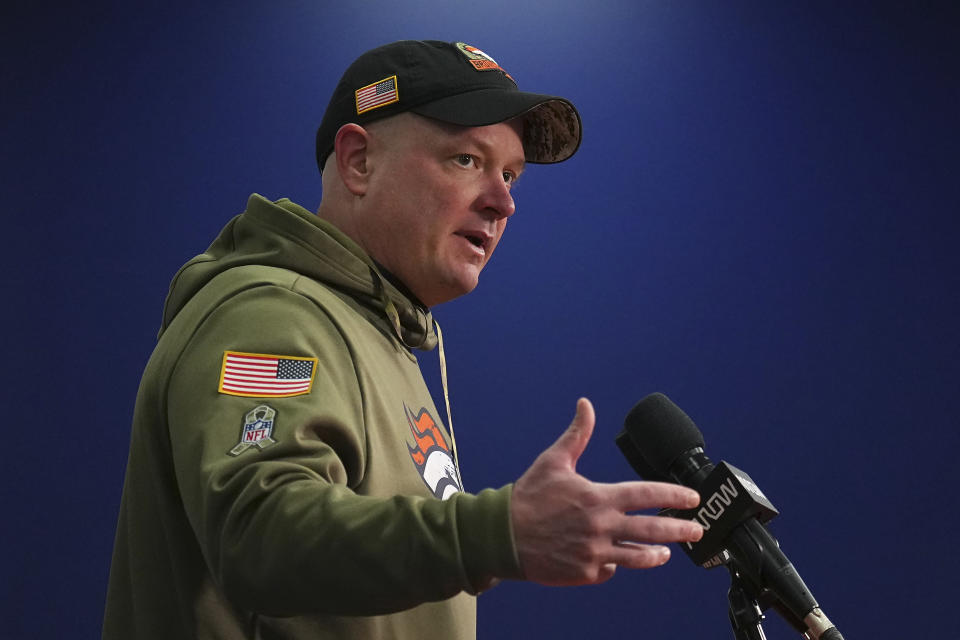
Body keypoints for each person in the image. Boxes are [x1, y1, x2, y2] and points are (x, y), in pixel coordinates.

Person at [102, 39, 703, 640]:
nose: (503, 203)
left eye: (511, 175)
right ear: (359, 161)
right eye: (466, 159)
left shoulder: (380, 335)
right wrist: (498, 534)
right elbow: (259, 536)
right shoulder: (270, 316)